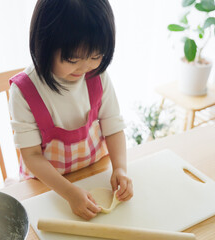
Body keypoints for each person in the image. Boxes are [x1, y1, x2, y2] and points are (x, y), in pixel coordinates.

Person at [8, 0, 133, 220]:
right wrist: (69, 192)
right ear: (44, 45)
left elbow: (113, 126)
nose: (85, 67)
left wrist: (120, 168)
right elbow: (32, 155)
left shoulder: (98, 76)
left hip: (93, 172)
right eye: (73, 59)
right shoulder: (24, 92)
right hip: (47, 186)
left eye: (96, 56)